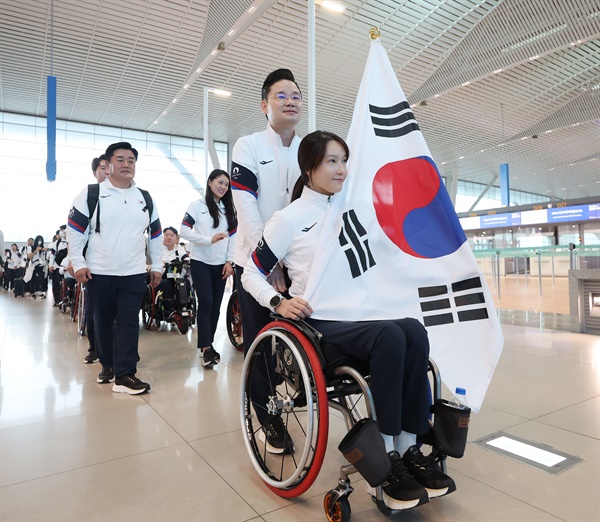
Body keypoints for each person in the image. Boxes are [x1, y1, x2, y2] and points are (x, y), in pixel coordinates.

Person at [242, 131, 455, 511]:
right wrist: (278, 301)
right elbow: (249, 273)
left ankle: (408, 448)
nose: (341, 168)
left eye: (344, 160)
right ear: (309, 168)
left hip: (361, 315)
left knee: (413, 331)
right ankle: (387, 459)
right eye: (331, 161)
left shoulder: (353, 209)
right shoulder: (287, 219)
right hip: (320, 324)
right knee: (391, 336)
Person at [231, 68, 303, 447]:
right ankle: (268, 418)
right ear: (264, 104)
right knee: (260, 345)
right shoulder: (248, 145)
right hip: (255, 266)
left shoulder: (310, 148)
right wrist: (268, 260)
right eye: (281, 95)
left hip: (297, 264)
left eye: (296, 95)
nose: (290, 100)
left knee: (300, 336)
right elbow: (246, 205)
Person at [67, 142, 163, 394]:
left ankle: (125, 374)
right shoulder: (91, 194)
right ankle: (107, 365)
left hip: (133, 272)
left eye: (131, 160)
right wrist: (78, 263)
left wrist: (157, 266)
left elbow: (156, 235)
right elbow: (75, 231)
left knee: (129, 322)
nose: (126, 164)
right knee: (103, 321)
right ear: (108, 165)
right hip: (99, 272)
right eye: (120, 159)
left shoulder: (145, 197)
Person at [180, 169, 236, 367]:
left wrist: (230, 261)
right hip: (200, 261)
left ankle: (208, 344)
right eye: (220, 182)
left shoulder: (229, 209)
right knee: (206, 302)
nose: (223, 187)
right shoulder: (197, 206)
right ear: (210, 182)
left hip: (221, 264)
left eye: (226, 185)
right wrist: (208, 240)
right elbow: (183, 230)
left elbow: (234, 237)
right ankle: (206, 348)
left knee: (216, 305)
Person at [83, 154, 110, 364]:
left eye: (109, 167)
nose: (107, 171)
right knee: (95, 311)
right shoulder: (90, 196)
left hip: (122, 268)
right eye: (102, 168)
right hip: (94, 267)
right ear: (95, 172)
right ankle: (95, 347)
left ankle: (117, 352)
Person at [49, 225, 68, 306]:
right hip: (57, 267)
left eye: (64, 230)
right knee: (57, 284)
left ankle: (67, 300)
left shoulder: (71, 241)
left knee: (67, 285)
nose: (63, 232)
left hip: (68, 267)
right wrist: (50, 265)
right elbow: (52, 254)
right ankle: (57, 300)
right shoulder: (57, 243)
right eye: (61, 230)